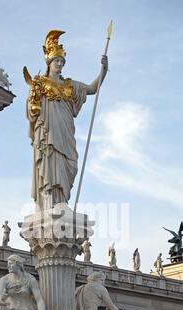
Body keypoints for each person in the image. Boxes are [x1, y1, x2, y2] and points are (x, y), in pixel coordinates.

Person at [24, 30, 108, 211]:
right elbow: (31, 110)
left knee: (69, 162)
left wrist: (103, 70)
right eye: (57, 61)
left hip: (65, 131)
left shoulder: (71, 85)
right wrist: (34, 105)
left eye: (62, 62)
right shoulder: (40, 84)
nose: (60, 64)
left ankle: (61, 202)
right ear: (49, 62)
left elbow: (92, 89)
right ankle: (49, 200)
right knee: (50, 159)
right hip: (48, 131)